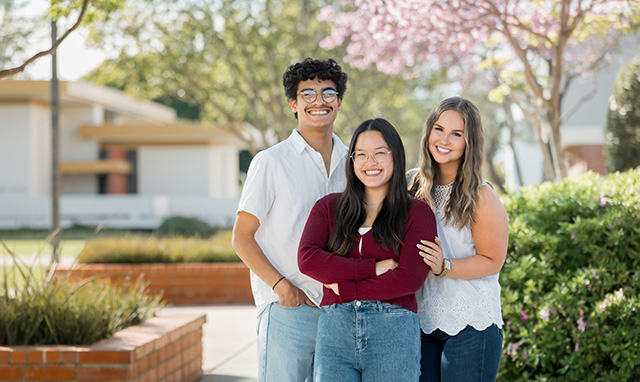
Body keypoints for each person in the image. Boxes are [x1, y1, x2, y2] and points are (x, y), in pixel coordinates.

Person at [231, 57, 349, 381]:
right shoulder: (270, 162)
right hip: (289, 310)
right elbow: (241, 237)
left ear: (339, 102)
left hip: (339, 311)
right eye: (308, 94)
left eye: (328, 93)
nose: (319, 101)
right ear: (293, 104)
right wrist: (282, 287)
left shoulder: (354, 162)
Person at [298, 118, 437, 381]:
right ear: (352, 161)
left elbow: (409, 279)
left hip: (393, 331)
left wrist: (346, 287)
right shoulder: (329, 207)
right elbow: (308, 259)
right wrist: (372, 268)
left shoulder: (417, 213)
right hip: (335, 331)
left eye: (379, 153)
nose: (369, 162)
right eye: (360, 154)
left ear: (396, 156)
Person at [408, 96, 509, 382]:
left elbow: (493, 261)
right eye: (438, 129)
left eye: (456, 134)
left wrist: (445, 266)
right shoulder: (411, 186)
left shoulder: (481, 194)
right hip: (423, 324)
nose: (444, 140)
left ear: (469, 142)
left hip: (473, 326)